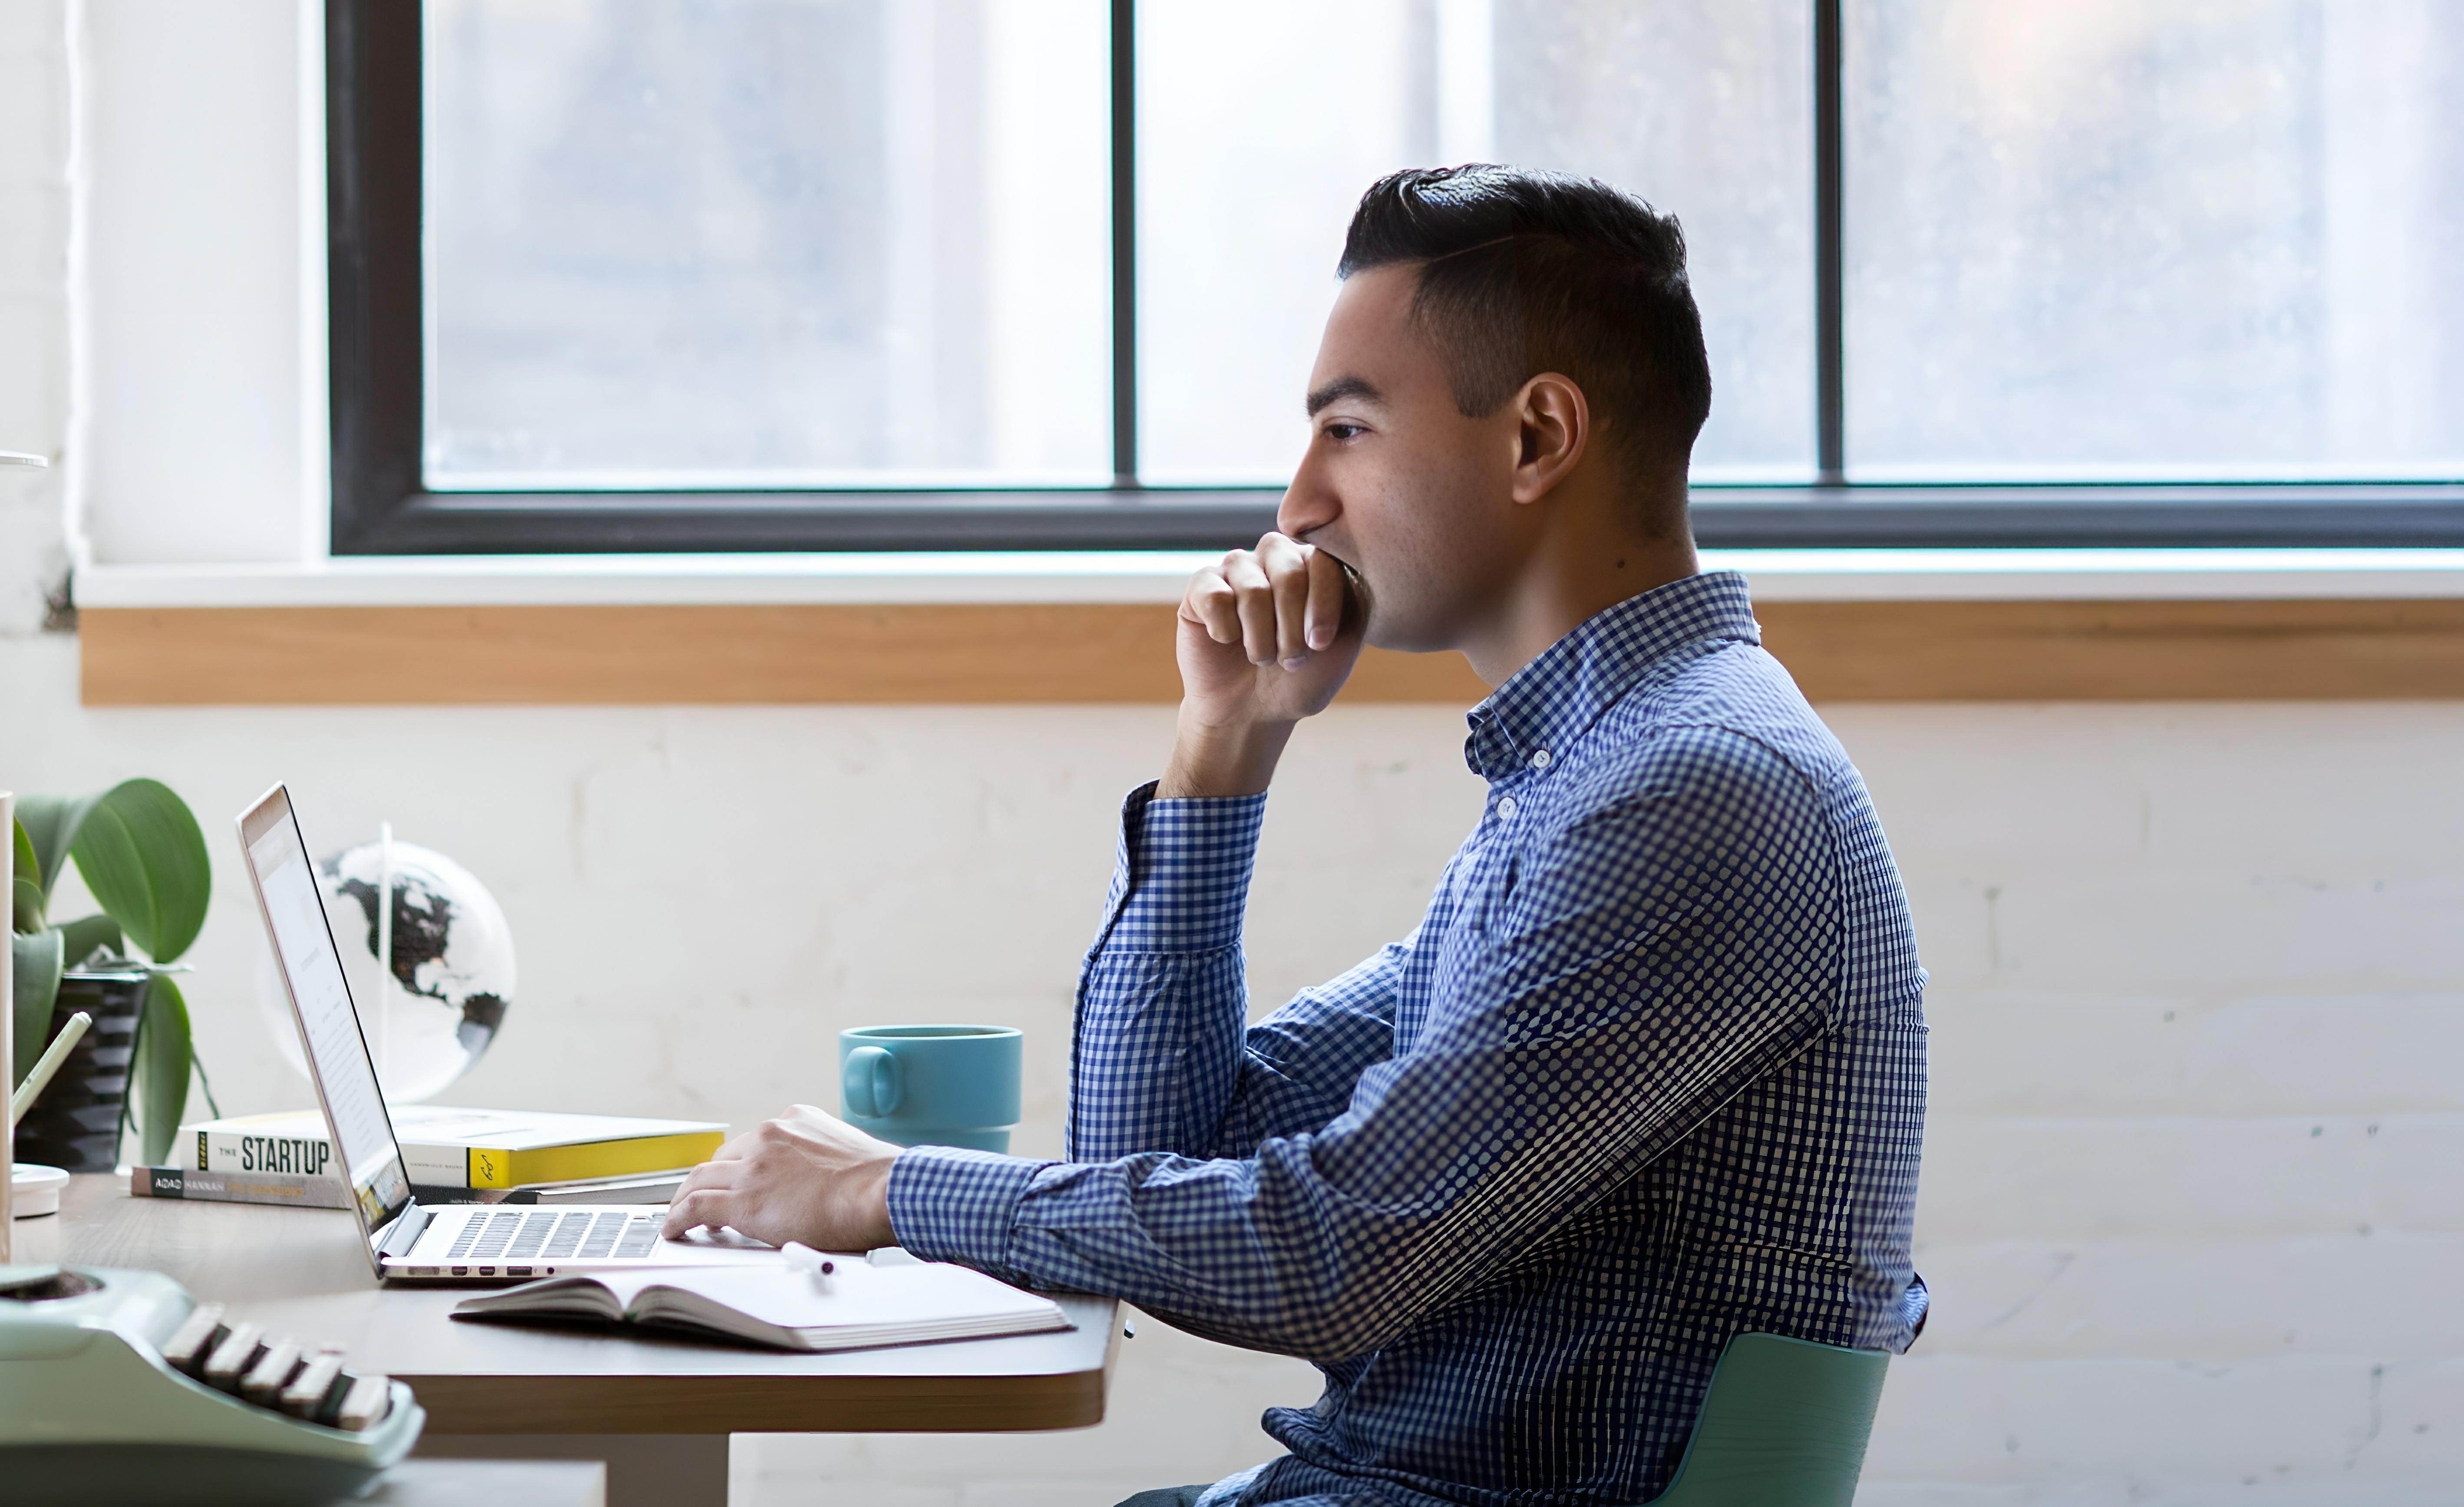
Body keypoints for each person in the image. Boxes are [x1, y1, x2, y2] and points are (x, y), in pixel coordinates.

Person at [666, 165, 1927, 1507]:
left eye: (1347, 429)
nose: (1297, 506)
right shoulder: (1589, 776)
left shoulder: (1685, 793)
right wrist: (1226, 746)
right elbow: (1157, 1149)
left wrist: (888, 1189)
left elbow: (1328, 1257)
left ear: (1535, 436)